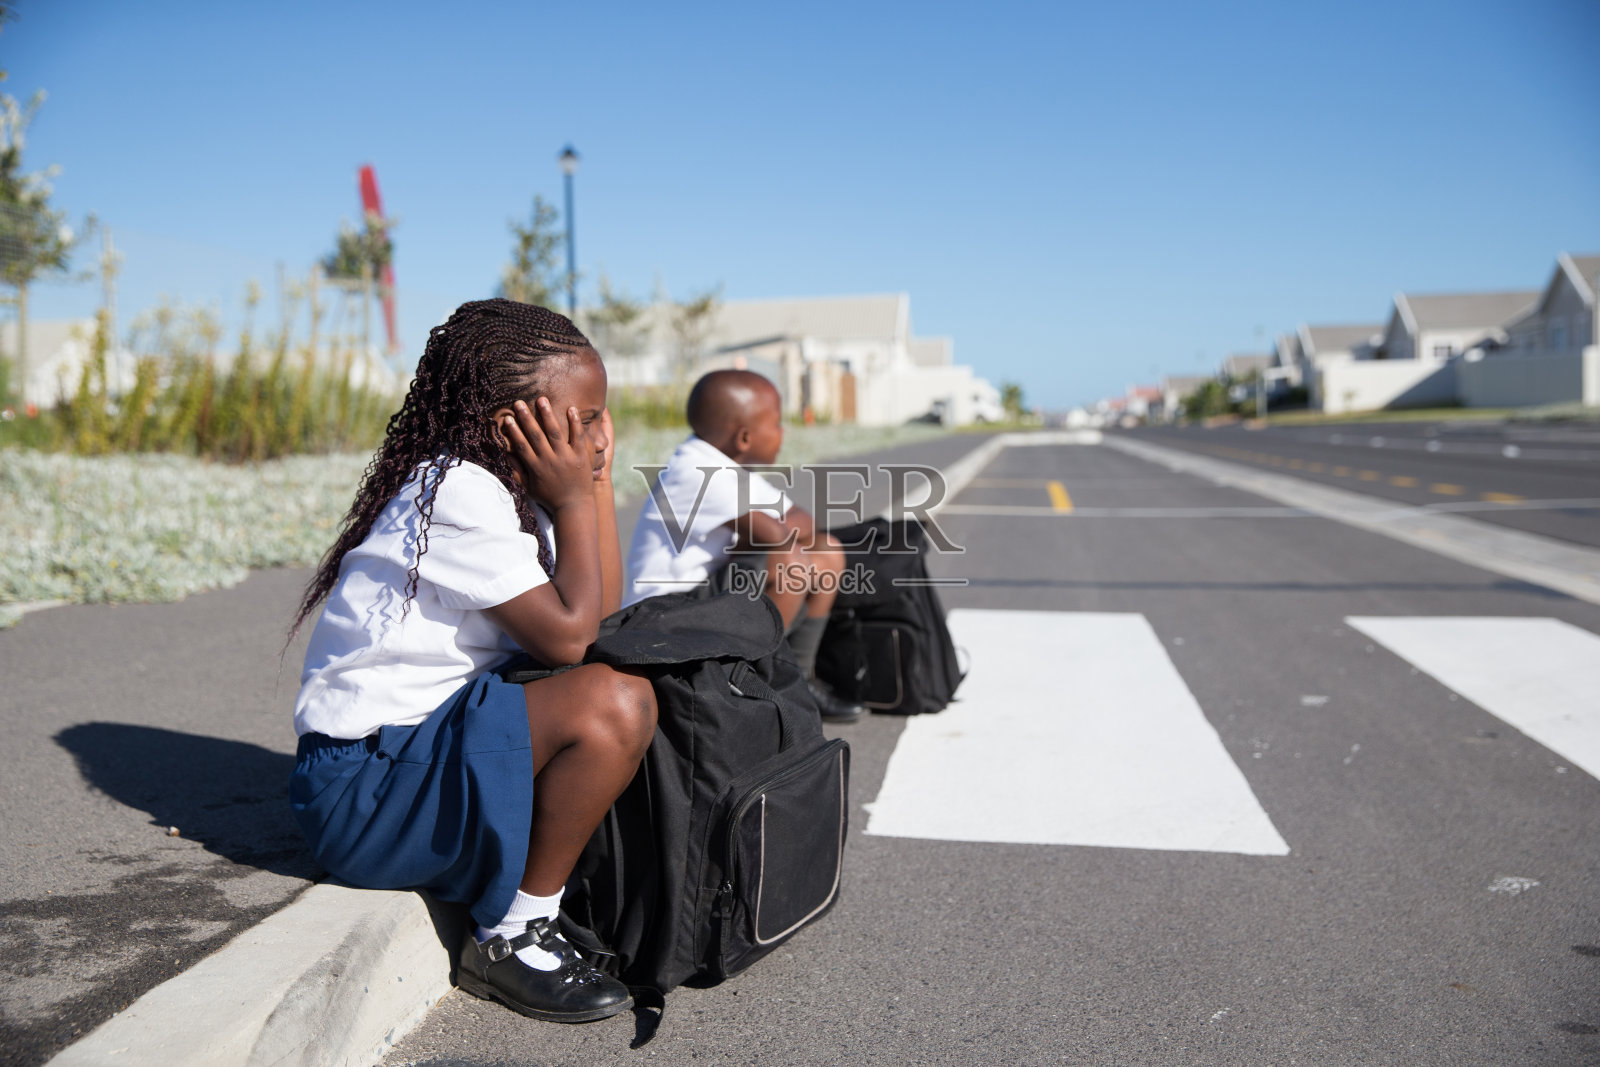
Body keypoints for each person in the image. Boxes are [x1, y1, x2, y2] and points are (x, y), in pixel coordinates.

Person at [288, 300, 652, 1024]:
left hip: (404, 756)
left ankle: (525, 898)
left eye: (598, 420)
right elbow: (569, 640)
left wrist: (596, 482)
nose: (593, 435)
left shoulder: (513, 491)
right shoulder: (459, 491)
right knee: (614, 703)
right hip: (358, 791)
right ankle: (510, 935)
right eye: (581, 420)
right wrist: (578, 498)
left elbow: (597, 614)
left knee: (617, 686)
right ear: (508, 422)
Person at [624, 369, 864, 723]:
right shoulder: (694, 469)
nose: (783, 433)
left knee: (826, 550)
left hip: (699, 600)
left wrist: (758, 538)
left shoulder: (726, 468)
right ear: (745, 438)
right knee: (790, 560)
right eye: (778, 423)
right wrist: (763, 537)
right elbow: (778, 537)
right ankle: (752, 690)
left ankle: (798, 680)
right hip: (659, 617)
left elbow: (803, 521)